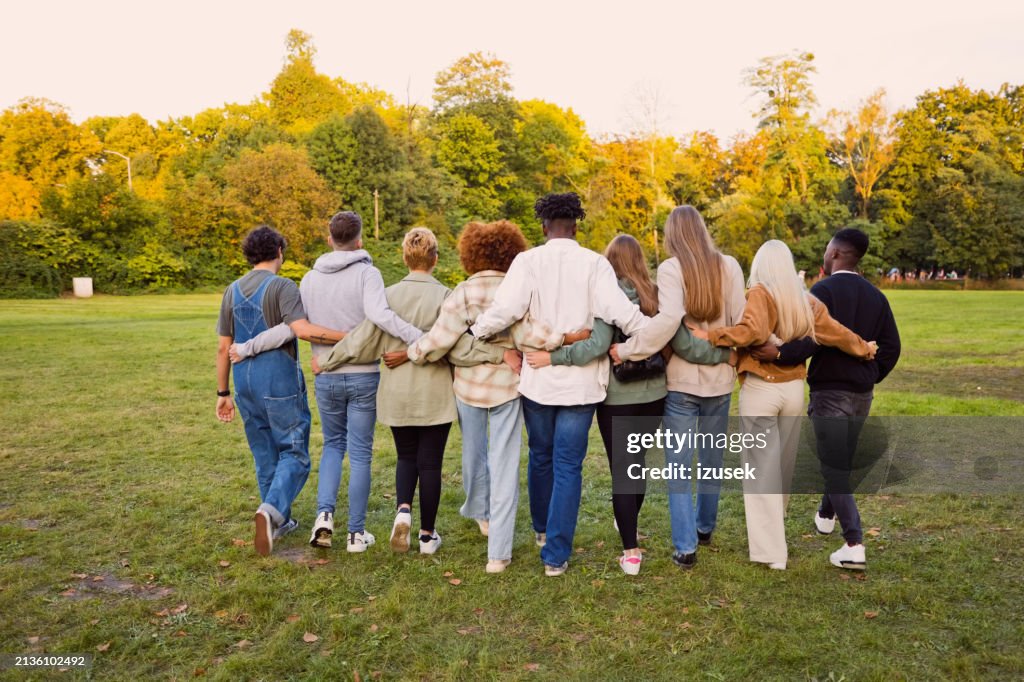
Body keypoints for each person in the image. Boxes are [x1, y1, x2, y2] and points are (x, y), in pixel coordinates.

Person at [525, 234, 734, 575]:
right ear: (639, 260)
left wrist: (554, 357)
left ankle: (631, 552)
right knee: (637, 468)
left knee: (623, 472)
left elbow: (597, 345)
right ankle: (629, 525)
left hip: (616, 398)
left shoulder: (605, 296)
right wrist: (723, 353)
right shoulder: (657, 295)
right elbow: (677, 341)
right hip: (654, 396)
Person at [470, 193, 650, 577]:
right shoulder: (595, 264)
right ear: (576, 227)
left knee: (541, 455)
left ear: (544, 227)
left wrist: (477, 330)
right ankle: (555, 557)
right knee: (568, 465)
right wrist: (652, 333)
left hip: (538, 380)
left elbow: (506, 310)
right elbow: (622, 313)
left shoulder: (527, 261)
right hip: (581, 386)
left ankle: (541, 529)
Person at [397, 221, 586, 574]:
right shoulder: (518, 288)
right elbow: (531, 334)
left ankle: (482, 513)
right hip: (509, 386)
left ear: (470, 254)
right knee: (505, 466)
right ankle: (498, 554)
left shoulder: (463, 291)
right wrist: (565, 337)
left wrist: (412, 353)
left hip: (468, 387)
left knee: (473, 454)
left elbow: (440, 338)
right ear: (511, 252)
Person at [231, 211, 424, 554]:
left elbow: (294, 328)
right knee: (360, 452)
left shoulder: (309, 278)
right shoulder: (368, 273)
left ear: (329, 238)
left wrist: (247, 347)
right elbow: (380, 316)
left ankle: (324, 519)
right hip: (363, 374)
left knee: (333, 445)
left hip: (326, 375)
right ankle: (356, 535)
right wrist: (419, 337)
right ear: (359, 239)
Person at [695, 239, 877, 570]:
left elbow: (751, 331)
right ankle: (774, 532)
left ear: (760, 265)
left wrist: (711, 336)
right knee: (782, 469)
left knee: (760, 473)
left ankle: (772, 552)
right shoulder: (804, 300)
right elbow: (837, 333)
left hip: (761, 390)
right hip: (794, 391)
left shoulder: (760, 293)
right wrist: (864, 348)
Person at [317, 228, 480, 556]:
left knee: (406, 457)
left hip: (396, 392)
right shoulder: (447, 297)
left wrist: (328, 360)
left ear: (405, 258)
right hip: (435, 392)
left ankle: (403, 510)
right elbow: (458, 346)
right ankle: (426, 536)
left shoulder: (388, 296)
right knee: (430, 464)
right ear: (435, 259)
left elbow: (362, 338)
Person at [749, 228, 901, 570]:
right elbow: (892, 347)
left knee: (834, 466)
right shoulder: (877, 296)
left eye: (826, 249)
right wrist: (871, 373)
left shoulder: (823, 291)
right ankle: (826, 513)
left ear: (834, 253)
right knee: (840, 460)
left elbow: (810, 339)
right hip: (862, 394)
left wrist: (779, 354)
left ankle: (854, 544)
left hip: (830, 391)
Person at [610, 206, 746, 570]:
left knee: (678, 467)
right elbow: (739, 322)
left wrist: (628, 349)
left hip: (681, 383)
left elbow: (669, 321)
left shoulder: (672, 268)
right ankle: (704, 528)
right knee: (712, 461)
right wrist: (723, 350)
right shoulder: (730, 266)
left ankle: (686, 547)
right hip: (720, 380)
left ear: (672, 234)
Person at [215, 225, 346, 557]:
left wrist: (222, 393)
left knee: (264, 453)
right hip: (278, 380)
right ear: (279, 251)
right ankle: (271, 509)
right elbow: (299, 329)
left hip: (243, 381)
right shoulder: (284, 286)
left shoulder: (231, 291)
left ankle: (279, 521)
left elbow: (223, 348)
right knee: (294, 452)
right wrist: (349, 336)